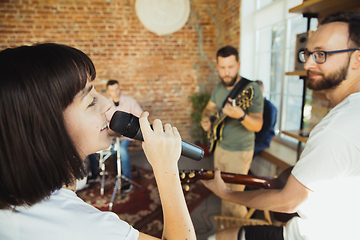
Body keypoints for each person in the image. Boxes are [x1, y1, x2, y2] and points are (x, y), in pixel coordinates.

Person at [0, 43, 196, 240]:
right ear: (47, 124)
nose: (106, 104)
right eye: (90, 100)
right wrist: (166, 168)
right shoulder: (84, 228)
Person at [202, 12, 360, 240]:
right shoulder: (347, 116)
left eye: (322, 54)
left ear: (357, 59)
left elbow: (288, 201)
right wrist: (207, 117)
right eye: (307, 53)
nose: (307, 63)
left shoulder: (337, 128)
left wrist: (226, 193)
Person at [200, 46, 264, 218]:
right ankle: (226, 233)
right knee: (223, 193)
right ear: (217, 66)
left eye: (231, 67)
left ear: (239, 64)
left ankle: (240, 233)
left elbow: (257, 125)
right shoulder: (219, 88)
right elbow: (209, 109)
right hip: (220, 146)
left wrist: (241, 115)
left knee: (233, 200)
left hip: (240, 150)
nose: (226, 72)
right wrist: (206, 120)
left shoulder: (251, 89)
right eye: (222, 68)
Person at [106, 79, 143, 191]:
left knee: (121, 149)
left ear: (120, 88)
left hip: (126, 136)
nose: (115, 92)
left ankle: (126, 180)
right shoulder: (106, 105)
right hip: (112, 136)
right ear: (108, 91)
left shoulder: (130, 101)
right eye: (112, 90)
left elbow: (140, 116)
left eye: (117, 89)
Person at [253, 80, 277, 157]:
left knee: (247, 151)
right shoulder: (253, 106)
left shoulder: (270, 108)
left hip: (263, 141)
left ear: (262, 91)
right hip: (253, 138)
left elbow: (267, 130)